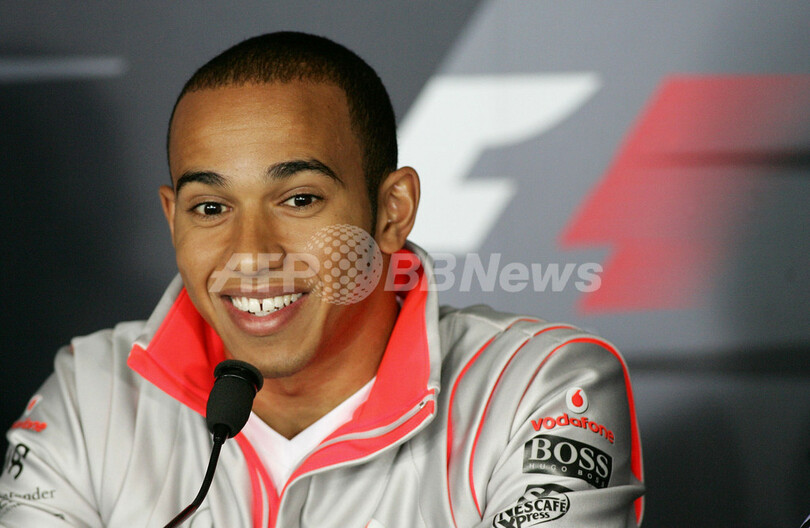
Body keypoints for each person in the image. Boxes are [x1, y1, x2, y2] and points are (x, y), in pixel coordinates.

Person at [0, 32, 644, 527]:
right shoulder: (92, 392)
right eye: (211, 208)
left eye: (299, 199)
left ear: (391, 212)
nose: (251, 254)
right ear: (173, 220)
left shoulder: (537, 389)